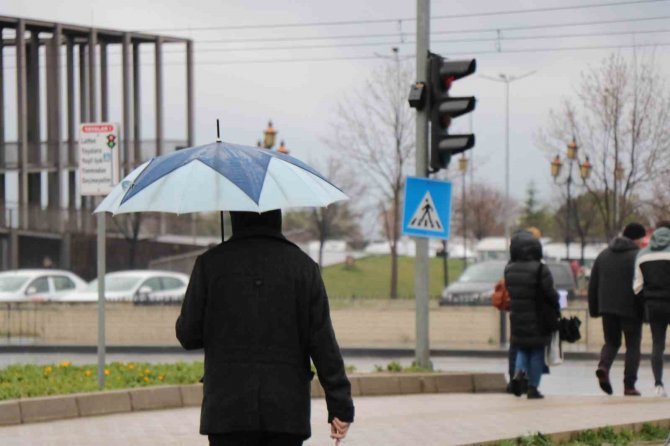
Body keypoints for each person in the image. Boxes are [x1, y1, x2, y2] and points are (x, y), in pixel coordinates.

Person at [176, 210, 355, 446]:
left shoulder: (210, 265)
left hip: (227, 412)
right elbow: (322, 343)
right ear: (276, 216)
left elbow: (188, 335)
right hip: (286, 413)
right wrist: (340, 404)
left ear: (234, 216)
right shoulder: (303, 268)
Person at [588, 222, 646, 396]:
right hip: (631, 308)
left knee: (612, 342)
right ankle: (629, 385)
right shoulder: (638, 257)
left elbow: (593, 284)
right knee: (633, 346)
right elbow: (643, 285)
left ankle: (603, 367)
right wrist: (645, 310)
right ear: (636, 238)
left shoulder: (603, 255)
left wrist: (595, 308)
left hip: (607, 308)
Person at [506, 230, 559, 399]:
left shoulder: (509, 269)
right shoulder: (540, 269)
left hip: (517, 316)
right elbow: (550, 293)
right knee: (536, 352)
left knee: (522, 349)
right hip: (538, 317)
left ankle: (518, 377)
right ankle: (532, 387)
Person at [634, 225, 670, 398]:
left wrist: (647, 300)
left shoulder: (642, 255)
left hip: (654, 305)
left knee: (657, 344)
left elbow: (637, 287)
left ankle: (658, 384)